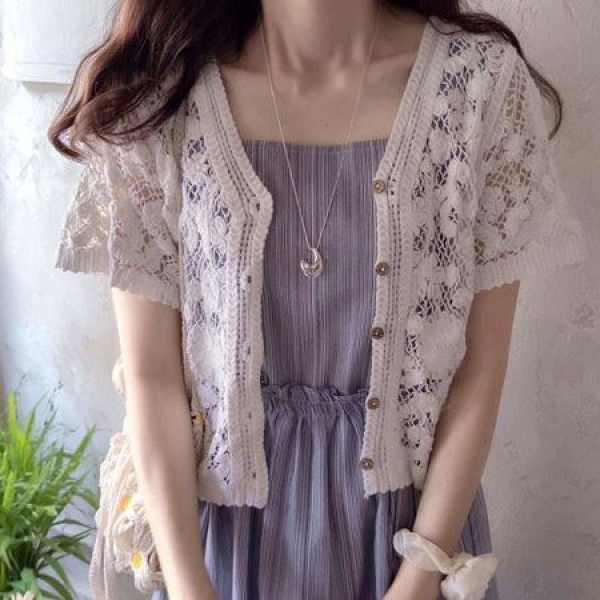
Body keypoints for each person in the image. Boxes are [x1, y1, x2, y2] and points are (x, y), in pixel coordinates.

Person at [48, 1, 587, 599]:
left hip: (414, 544)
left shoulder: (479, 86)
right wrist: (190, 587)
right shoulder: (156, 101)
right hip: (221, 553)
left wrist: (417, 580)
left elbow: (478, 372)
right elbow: (152, 378)